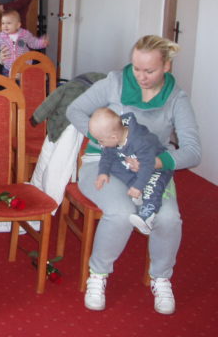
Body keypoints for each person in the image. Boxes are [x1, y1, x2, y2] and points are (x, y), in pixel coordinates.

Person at [66, 35, 201, 315]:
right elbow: (74, 109)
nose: (141, 76)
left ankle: (161, 278)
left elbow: (193, 151)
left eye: (149, 70)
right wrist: (102, 137)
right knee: (121, 212)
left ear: (166, 66)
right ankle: (98, 275)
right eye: (137, 68)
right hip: (103, 163)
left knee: (168, 218)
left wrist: (157, 162)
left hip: (151, 168)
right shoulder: (115, 82)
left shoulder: (176, 98)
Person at [89, 108, 174, 235]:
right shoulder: (115, 136)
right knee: (113, 166)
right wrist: (103, 172)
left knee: (154, 185)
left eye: (101, 141)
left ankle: (148, 214)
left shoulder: (141, 141)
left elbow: (148, 166)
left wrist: (138, 186)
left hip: (155, 166)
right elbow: (107, 155)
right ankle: (138, 192)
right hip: (134, 164)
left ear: (114, 137)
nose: (100, 144)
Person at [0, 9, 48, 76]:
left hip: (25, 65)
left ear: (18, 25)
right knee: (8, 81)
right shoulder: (1, 36)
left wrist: (42, 43)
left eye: (8, 23)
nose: (5, 26)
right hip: (8, 67)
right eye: (3, 23)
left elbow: (33, 42)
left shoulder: (24, 34)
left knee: (27, 80)